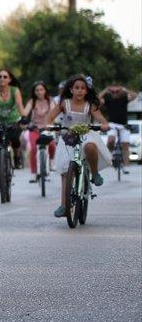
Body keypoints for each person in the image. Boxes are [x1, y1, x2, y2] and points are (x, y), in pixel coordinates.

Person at [47, 75, 112, 217]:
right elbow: (50, 117)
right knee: (65, 172)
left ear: (87, 91)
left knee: (90, 147)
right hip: (68, 137)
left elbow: (101, 118)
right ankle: (64, 206)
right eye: (77, 88)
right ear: (71, 90)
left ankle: (94, 173)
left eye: (83, 88)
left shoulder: (90, 105)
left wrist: (104, 124)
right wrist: (48, 125)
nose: (80, 91)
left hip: (86, 135)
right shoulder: (64, 104)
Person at [101, 83, 137, 173]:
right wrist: (106, 90)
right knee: (111, 141)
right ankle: (109, 157)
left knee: (125, 145)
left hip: (124, 125)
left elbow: (134, 95)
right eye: (113, 92)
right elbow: (98, 99)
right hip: (112, 124)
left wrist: (124, 89)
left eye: (117, 92)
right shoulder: (108, 100)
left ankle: (126, 166)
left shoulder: (124, 99)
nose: (115, 93)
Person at [23, 81, 56, 177]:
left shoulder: (50, 101)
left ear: (45, 90)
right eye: (37, 90)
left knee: (52, 145)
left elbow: (54, 113)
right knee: (33, 149)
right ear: (34, 92)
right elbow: (25, 112)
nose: (39, 92)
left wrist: (54, 123)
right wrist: (23, 120)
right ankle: (34, 173)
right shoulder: (32, 101)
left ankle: (51, 161)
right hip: (35, 128)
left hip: (47, 128)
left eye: (41, 89)